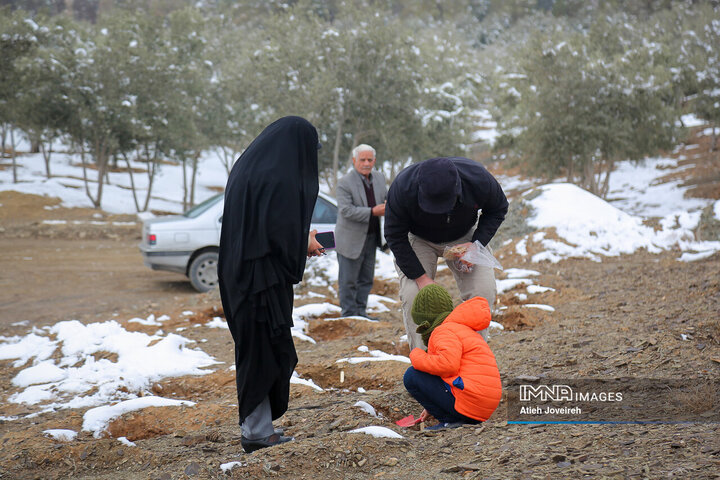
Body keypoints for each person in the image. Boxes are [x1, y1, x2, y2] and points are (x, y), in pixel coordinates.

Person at [217, 116, 324, 453]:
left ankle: (259, 428)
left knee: (256, 350)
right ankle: (256, 433)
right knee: (262, 352)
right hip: (259, 282)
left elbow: (262, 230)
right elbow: (277, 236)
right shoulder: (278, 179)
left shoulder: (248, 169)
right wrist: (303, 244)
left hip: (242, 276)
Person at [384, 156, 508, 350]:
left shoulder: (478, 178)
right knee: (414, 295)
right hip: (419, 238)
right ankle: (425, 361)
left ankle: (473, 355)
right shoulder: (402, 187)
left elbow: (498, 208)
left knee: (483, 291)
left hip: (465, 234)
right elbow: (394, 235)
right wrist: (422, 278)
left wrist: (476, 244)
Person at [403, 284, 502, 429]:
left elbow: (448, 365)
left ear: (426, 321)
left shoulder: (443, 332)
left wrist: (417, 355)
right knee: (429, 371)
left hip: (471, 402)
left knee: (412, 375)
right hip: (482, 403)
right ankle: (455, 416)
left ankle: (450, 420)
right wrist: (432, 405)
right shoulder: (460, 328)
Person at [334, 144, 388, 319]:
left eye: (369, 159)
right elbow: (346, 210)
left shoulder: (379, 178)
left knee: (366, 278)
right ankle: (349, 315)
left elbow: (387, 198)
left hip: (372, 237)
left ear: (374, 161)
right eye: (362, 159)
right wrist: (373, 212)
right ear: (354, 161)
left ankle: (361, 313)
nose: (366, 163)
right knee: (348, 281)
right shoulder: (344, 182)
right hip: (350, 239)